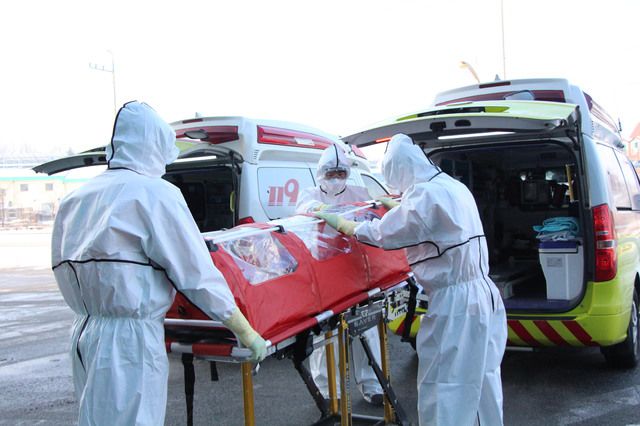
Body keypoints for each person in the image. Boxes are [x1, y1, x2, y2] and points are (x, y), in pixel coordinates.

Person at [51, 101, 267, 426]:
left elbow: (62, 264)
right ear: (154, 144)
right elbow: (195, 273)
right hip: (130, 342)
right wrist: (242, 328)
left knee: (95, 418)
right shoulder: (155, 193)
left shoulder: (76, 198)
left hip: (85, 332)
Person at [316, 134, 507, 425]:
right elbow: (434, 224)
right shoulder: (452, 187)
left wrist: (347, 225)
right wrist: (398, 209)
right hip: (484, 295)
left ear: (402, 171)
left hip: (455, 306)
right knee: (482, 382)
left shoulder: (425, 195)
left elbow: (384, 234)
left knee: (444, 387)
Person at [296, 144, 384, 406]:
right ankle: (327, 391)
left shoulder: (359, 192)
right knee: (326, 334)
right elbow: (305, 210)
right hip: (325, 275)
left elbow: (372, 215)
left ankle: (373, 384)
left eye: (341, 173)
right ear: (321, 173)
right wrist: (324, 210)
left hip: (356, 271)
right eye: (331, 173)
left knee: (367, 327)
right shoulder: (310, 194)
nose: (336, 178)